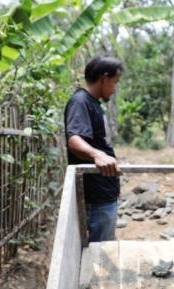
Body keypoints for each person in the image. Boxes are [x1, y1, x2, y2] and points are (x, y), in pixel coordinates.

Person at [64, 56, 123, 243]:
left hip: (103, 195)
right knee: (98, 253)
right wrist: (98, 154)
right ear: (104, 79)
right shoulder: (80, 101)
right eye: (114, 82)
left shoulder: (92, 103)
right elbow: (74, 139)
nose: (114, 88)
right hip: (96, 200)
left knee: (103, 248)